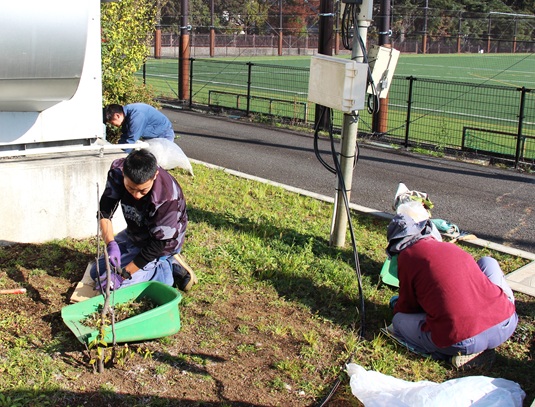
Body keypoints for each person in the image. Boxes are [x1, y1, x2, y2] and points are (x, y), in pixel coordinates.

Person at [385, 213, 517, 369]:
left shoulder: (407, 257)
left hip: (464, 340)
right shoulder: (448, 247)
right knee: (487, 262)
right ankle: (495, 319)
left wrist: (396, 305)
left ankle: (448, 354)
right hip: (506, 322)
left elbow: (408, 306)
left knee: (399, 321)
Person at [90, 149, 197, 292]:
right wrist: (111, 243)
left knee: (113, 288)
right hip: (136, 233)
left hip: (161, 245)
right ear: (124, 173)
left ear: (155, 175)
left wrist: (123, 276)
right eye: (130, 188)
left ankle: (165, 271)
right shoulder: (117, 171)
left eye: (143, 190)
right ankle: (148, 261)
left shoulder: (167, 197)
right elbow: (105, 210)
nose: (136, 195)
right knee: (95, 273)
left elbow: (157, 245)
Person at [103, 103, 175, 145]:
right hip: (153, 135)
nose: (113, 125)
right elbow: (125, 136)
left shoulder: (136, 116)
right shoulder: (126, 115)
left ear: (117, 115)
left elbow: (131, 140)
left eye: (112, 122)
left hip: (163, 135)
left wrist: (120, 157)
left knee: (161, 162)